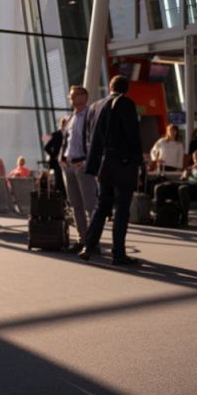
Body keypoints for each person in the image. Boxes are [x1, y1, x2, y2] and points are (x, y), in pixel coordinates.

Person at [79, 75, 143, 267]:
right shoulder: (126, 103)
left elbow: (87, 136)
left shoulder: (95, 106)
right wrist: (138, 163)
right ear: (126, 89)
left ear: (110, 87)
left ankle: (88, 246)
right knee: (122, 208)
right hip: (122, 164)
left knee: (101, 205)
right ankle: (118, 254)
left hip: (102, 164)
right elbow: (133, 135)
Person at [59, 85, 96, 251]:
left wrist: (88, 161)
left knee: (89, 204)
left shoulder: (90, 116)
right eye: (71, 96)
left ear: (85, 97)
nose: (72, 98)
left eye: (75, 95)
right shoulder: (70, 118)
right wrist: (61, 158)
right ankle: (82, 239)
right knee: (76, 205)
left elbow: (96, 140)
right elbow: (65, 140)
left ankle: (93, 241)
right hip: (69, 165)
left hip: (82, 164)